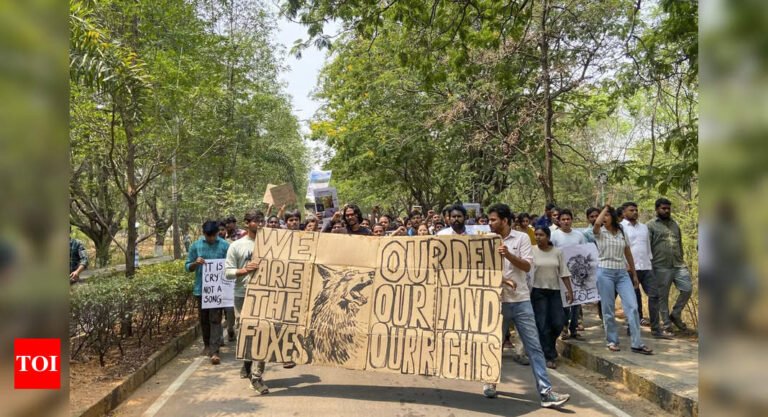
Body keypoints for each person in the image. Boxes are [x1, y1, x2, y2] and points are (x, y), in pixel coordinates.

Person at [483, 203, 570, 408]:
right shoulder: (485, 240)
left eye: (493, 219)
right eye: (489, 220)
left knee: (534, 347)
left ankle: (546, 392)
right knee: (493, 345)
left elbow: (526, 266)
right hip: (496, 302)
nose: (490, 223)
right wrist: (503, 280)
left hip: (521, 300)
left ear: (505, 221)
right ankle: (490, 382)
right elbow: (481, 270)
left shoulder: (522, 238)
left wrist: (508, 255)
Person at [592, 205, 653, 355]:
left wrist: (634, 274)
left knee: (633, 307)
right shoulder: (599, 232)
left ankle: (637, 343)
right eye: (603, 215)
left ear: (613, 217)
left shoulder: (621, 231)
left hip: (622, 273)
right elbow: (597, 223)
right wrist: (605, 208)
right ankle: (612, 341)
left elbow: (628, 253)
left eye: (607, 215)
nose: (603, 218)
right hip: (605, 272)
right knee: (608, 309)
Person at [621, 202, 673, 339]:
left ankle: (656, 329)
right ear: (624, 213)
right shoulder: (620, 227)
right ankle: (633, 327)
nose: (635, 212)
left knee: (654, 295)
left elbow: (648, 247)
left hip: (646, 267)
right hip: (630, 269)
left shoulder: (644, 227)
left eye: (636, 210)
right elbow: (620, 248)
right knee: (633, 299)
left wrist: (650, 261)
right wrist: (624, 264)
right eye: (631, 210)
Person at [185, 220, 230, 365]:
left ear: (217, 233)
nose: (211, 238)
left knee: (215, 319)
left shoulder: (225, 246)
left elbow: (231, 265)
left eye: (213, 236)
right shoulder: (195, 246)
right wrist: (195, 263)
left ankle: (215, 351)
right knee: (204, 320)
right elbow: (187, 266)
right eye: (208, 236)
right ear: (203, 233)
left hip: (218, 290)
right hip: (201, 290)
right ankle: (207, 345)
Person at [531, 226, 574, 369]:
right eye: (536, 234)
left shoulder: (557, 252)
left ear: (548, 237)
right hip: (538, 291)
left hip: (555, 291)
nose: (538, 237)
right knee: (542, 324)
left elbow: (564, 272)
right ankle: (549, 355)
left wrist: (570, 290)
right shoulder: (531, 251)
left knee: (558, 322)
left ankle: (548, 347)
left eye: (541, 235)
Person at [648, 198, 693, 333]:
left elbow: (679, 243)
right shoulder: (650, 225)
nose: (666, 211)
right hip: (660, 265)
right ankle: (666, 324)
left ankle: (676, 313)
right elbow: (647, 247)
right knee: (663, 296)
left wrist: (682, 258)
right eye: (663, 208)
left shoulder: (675, 224)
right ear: (657, 209)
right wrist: (650, 265)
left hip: (678, 264)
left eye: (668, 208)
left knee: (687, 289)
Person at [550, 209, 587, 341]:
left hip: (576, 274)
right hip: (560, 274)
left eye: (568, 219)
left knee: (577, 303)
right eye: (563, 219)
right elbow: (550, 252)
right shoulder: (554, 235)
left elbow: (585, 251)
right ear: (559, 221)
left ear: (572, 220)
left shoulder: (579, 235)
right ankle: (563, 328)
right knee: (564, 303)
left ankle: (574, 329)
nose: (566, 222)